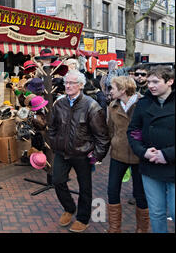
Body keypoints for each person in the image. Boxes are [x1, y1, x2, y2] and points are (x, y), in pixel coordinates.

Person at [47, 69, 110, 232]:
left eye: (72, 83)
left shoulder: (91, 106)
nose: (67, 86)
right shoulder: (59, 103)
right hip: (62, 153)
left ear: (81, 85)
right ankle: (69, 208)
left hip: (83, 154)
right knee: (57, 181)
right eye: (66, 82)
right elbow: (52, 127)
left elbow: (102, 136)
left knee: (85, 188)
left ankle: (83, 218)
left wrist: (96, 156)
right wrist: (54, 144)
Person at [127, 66, 175, 233]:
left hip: (173, 165)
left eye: (156, 81)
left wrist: (167, 154)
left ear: (170, 81)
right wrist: (143, 152)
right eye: (149, 82)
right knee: (156, 212)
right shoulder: (143, 104)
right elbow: (133, 131)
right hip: (150, 165)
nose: (151, 86)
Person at [106, 76, 149, 233]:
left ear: (123, 90)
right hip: (118, 154)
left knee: (140, 194)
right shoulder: (113, 106)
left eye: (113, 88)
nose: (110, 91)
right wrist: (115, 142)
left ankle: (142, 229)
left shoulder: (144, 104)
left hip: (140, 156)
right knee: (112, 190)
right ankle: (114, 229)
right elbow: (110, 130)